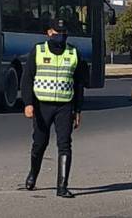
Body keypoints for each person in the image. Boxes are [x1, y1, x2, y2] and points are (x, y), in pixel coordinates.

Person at [22, 19, 87, 198]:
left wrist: (78, 111)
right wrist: (28, 104)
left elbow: (79, 84)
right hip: (42, 105)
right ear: (49, 32)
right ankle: (33, 175)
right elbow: (27, 79)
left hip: (65, 106)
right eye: (57, 31)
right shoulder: (38, 50)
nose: (61, 35)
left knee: (65, 144)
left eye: (64, 31)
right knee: (39, 143)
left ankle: (62, 186)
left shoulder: (74, 53)